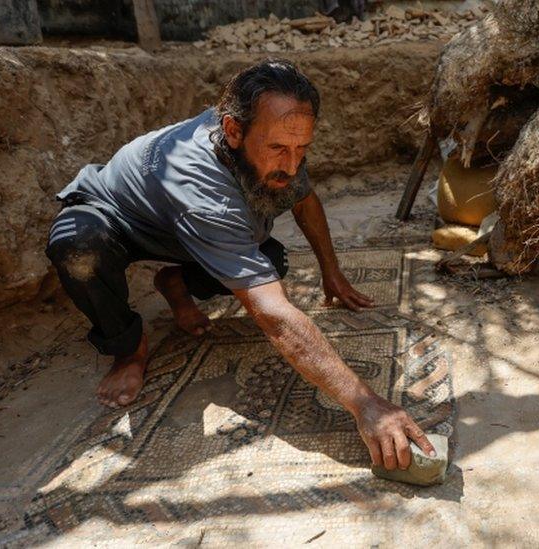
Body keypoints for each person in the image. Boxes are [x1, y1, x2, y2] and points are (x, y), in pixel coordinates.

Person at [45, 59, 434, 470]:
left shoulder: (278, 143)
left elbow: (304, 200)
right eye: (280, 150)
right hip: (113, 216)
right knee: (77, 247)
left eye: (302, 149)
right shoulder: (200, 185)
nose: (292, 163)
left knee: (271, 260)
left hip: (176, 226)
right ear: (232, 131)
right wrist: (365, 403)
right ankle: (127, 348)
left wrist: (331, 271)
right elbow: (271, 313)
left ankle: (174, 280)